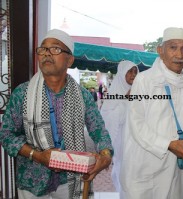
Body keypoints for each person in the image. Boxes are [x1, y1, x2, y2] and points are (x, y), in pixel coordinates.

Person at [0, 29, 113, 199]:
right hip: (32, 180)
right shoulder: (23, 93)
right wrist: (37, 155)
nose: (47, 54)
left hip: (70, 178)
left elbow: (98, 130)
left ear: (70, 60)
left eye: (55, 49)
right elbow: (7, 135)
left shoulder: (82, 96)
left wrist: (105, 156)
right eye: (43, 49)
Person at [119, 27, 183, 199]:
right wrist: (168, 144)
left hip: (175, 164)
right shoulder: (144, 81)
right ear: (160, 50)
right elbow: (137, 126)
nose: (179, 55)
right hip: (146, 163)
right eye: (173, 47)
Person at [100, 60, 139, 192]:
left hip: (136, 142)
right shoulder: (114, 94)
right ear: (122, 73)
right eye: (130, 71)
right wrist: (125, 101)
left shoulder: (139, 92)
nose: (133, 75)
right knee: (123, 172)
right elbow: (106, 118)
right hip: (121, 142)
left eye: (135, 71)